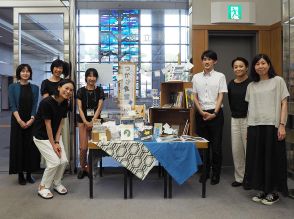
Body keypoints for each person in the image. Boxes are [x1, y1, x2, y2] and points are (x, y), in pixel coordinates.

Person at [244, 54, 289, 205]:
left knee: (273, 158)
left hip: (273, 125)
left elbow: (284, 103)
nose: (260, 66)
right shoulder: (251, 85)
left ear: (269, 65)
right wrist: (248, 129)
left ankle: (273, 191)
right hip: (255, 126)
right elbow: (250, 109)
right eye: (257, 64)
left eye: (263, 63)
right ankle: (262, 188)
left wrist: (282, 124)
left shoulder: (278, 81)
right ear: (254, 67)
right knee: (258, 159)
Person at [33, 79, 74, 199]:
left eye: (71, 90)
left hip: (55, 136)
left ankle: (56, 183)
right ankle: (43, 187)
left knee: (63, 160)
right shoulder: (46, 102)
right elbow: (48, 125)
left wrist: (57, 141)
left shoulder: (65, 102)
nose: (68, 91)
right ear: (59, 87)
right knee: (54, 163)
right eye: (66, 88)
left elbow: (60, 123)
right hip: (42, 137)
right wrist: (54, 144)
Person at [192, 50, 228, 185]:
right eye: (204, 59)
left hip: (216, 114)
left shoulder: (220, 76)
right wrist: (201, 112)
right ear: (202, 61)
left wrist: (215, 113)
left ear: (215, 61)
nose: (206, 62)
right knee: (203, 146)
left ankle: (216, 174)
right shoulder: (196, 77)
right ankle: (205, 172)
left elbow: (221, 96)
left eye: (209, 59)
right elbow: (194, 96)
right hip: (201, 113)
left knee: (216, 147)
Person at [8, 64, 40, 185]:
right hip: (17, 121)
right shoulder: (12, 87)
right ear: (19, 73)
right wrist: (20, 120)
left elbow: (35, 105)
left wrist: (31, 119)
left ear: (30, 73)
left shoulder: (35, 88)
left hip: (31, 121)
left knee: (30, 147)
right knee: (19, 147)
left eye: (27, 71)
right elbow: (12, 105)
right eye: (23, 71)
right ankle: (20, 174)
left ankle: (29, 174)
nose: (25, 73)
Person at [76, 68, 105, 179]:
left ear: (96, 78)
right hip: (82, 121)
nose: (92, 78)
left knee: (95, 146)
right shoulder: (80, 91)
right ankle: (83, 168)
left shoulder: (100, 90)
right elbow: (79, 108)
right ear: (86, 77)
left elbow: (99, 107)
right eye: (89, 76)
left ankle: (92, 168)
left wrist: (93, 121)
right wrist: (85, 121)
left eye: (94, 76)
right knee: (83, 147)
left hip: (96, 121)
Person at [228, 57, 251, 188]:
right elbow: (231, 102)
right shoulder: (231, 83)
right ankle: (240, 178)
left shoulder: (252, 83)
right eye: (236, 67)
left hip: (249, 119)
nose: (238, 69)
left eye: (241, 66)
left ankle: (250, 178)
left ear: (246, 67)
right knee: (237, 150)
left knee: (249, 150)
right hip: (235, 119)